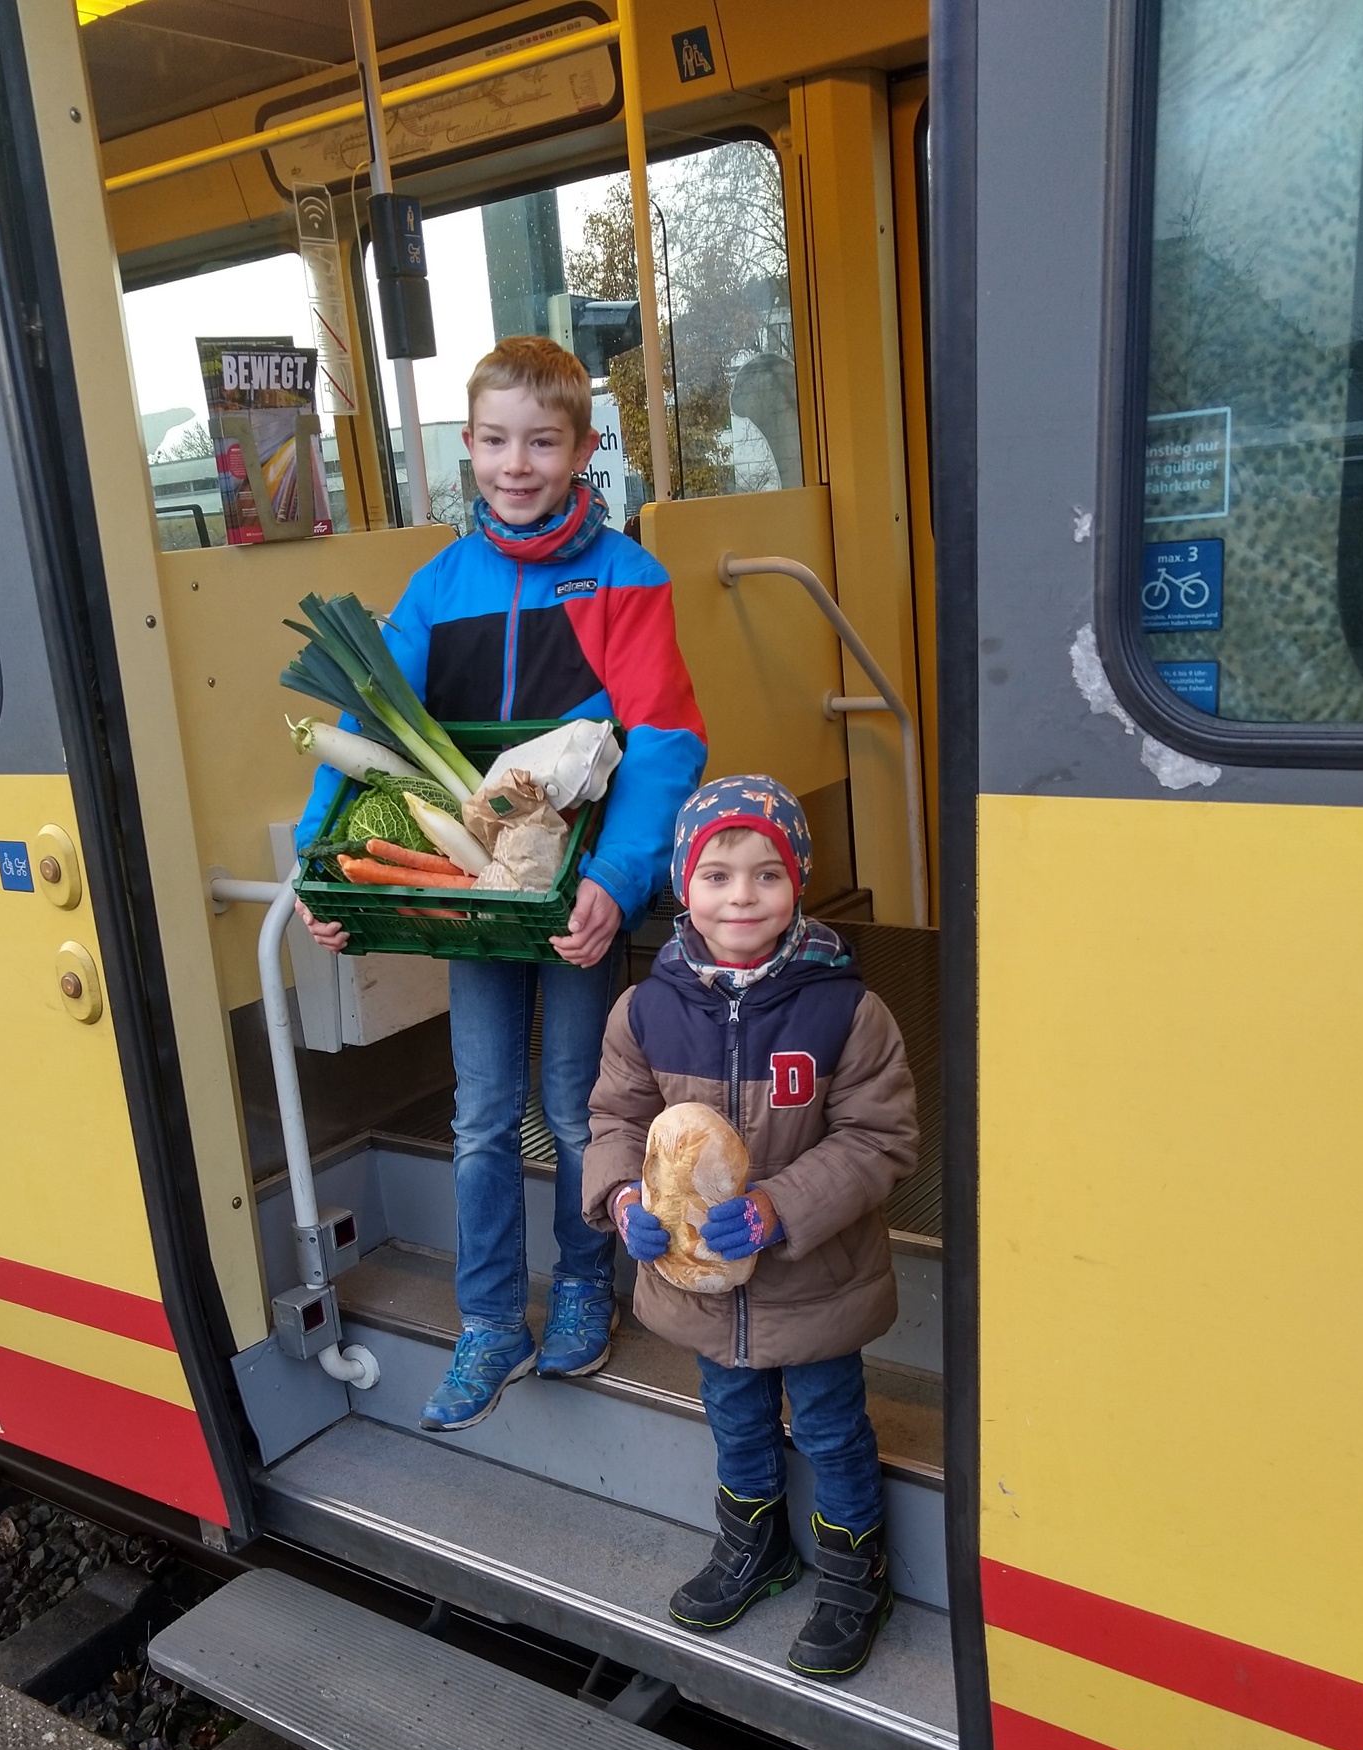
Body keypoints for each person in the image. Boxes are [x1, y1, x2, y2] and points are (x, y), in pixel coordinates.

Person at [298, 336, 707, 1428]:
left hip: (574, 893)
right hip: (479, 898)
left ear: (580, 448)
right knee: (482, 1114)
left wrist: (619, 877)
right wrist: (321, 867)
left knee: (579, 1108)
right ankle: (487, 1321)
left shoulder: (628, 576)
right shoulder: (437, 587)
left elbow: (663, 742)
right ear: (466, 447)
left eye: (540, 440)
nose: (514, 463)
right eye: (491, 440)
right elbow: (365, 731)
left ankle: (584, 1286)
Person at [582, 777, 919, 1678]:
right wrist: (624, 1202)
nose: (741, 896)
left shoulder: (847, 1011)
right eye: (718, 874)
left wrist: (779, 1207)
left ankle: (856, 1573)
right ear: (682, 887)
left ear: (798, 884)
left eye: (767, 875)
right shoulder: (645, 1011)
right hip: (697, 1291)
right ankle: (755, 1547)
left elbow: (881, 1138)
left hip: (813, 1284)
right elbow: (614, 1122)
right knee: (733, 1421)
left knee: (831, 1425)